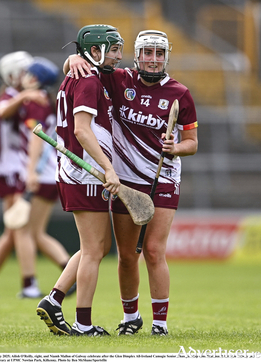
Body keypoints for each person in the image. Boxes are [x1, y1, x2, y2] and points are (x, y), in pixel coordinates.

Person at [64, 29, 198, 336]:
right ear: (136, 55)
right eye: (147, 53)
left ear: (167, 57)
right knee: (127, 255)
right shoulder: (118, 79)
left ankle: (160, 324)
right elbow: (85, 65)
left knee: (153, 250)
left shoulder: (180, 93)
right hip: (125, 183)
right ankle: (130, 318)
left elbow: (191, 142)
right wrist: (72, 58)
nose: (153, 60)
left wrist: (174, 148)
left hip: (162, 179)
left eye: (159, 54)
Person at [36, 24, 124, 336]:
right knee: (93, 251)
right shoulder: (88, 81)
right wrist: (108, 169)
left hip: (80, 174)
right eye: (112, 49)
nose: (117, 56)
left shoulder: (85, 76)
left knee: (94, 247)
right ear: (96, 50)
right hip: (84, 174)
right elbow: (82, 131)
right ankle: (83, 323)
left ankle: (53, 300)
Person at [0, 52, 74, 298]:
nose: (24, 76)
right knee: (19, 230)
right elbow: (4, 112)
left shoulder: (32, 101)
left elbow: (35, 139)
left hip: (35, 174)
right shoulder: (36, 98)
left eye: (28, 73)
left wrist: (30, 172)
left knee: (25, 232)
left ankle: (35, 284)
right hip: (47, 173)